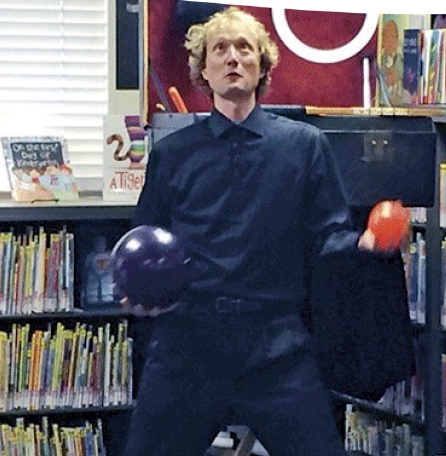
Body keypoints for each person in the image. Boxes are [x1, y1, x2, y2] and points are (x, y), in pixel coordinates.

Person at [121, 7, 395, 456]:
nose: (233, 58)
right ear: (203, 71)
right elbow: (145, 239)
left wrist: (364, 242)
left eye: (244, 48)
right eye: (220, 50)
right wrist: (136, 289)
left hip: (275, 347)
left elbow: (328, 235)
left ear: (261, 66)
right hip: (189, 345)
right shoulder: (172, 154)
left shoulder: (304, 146)